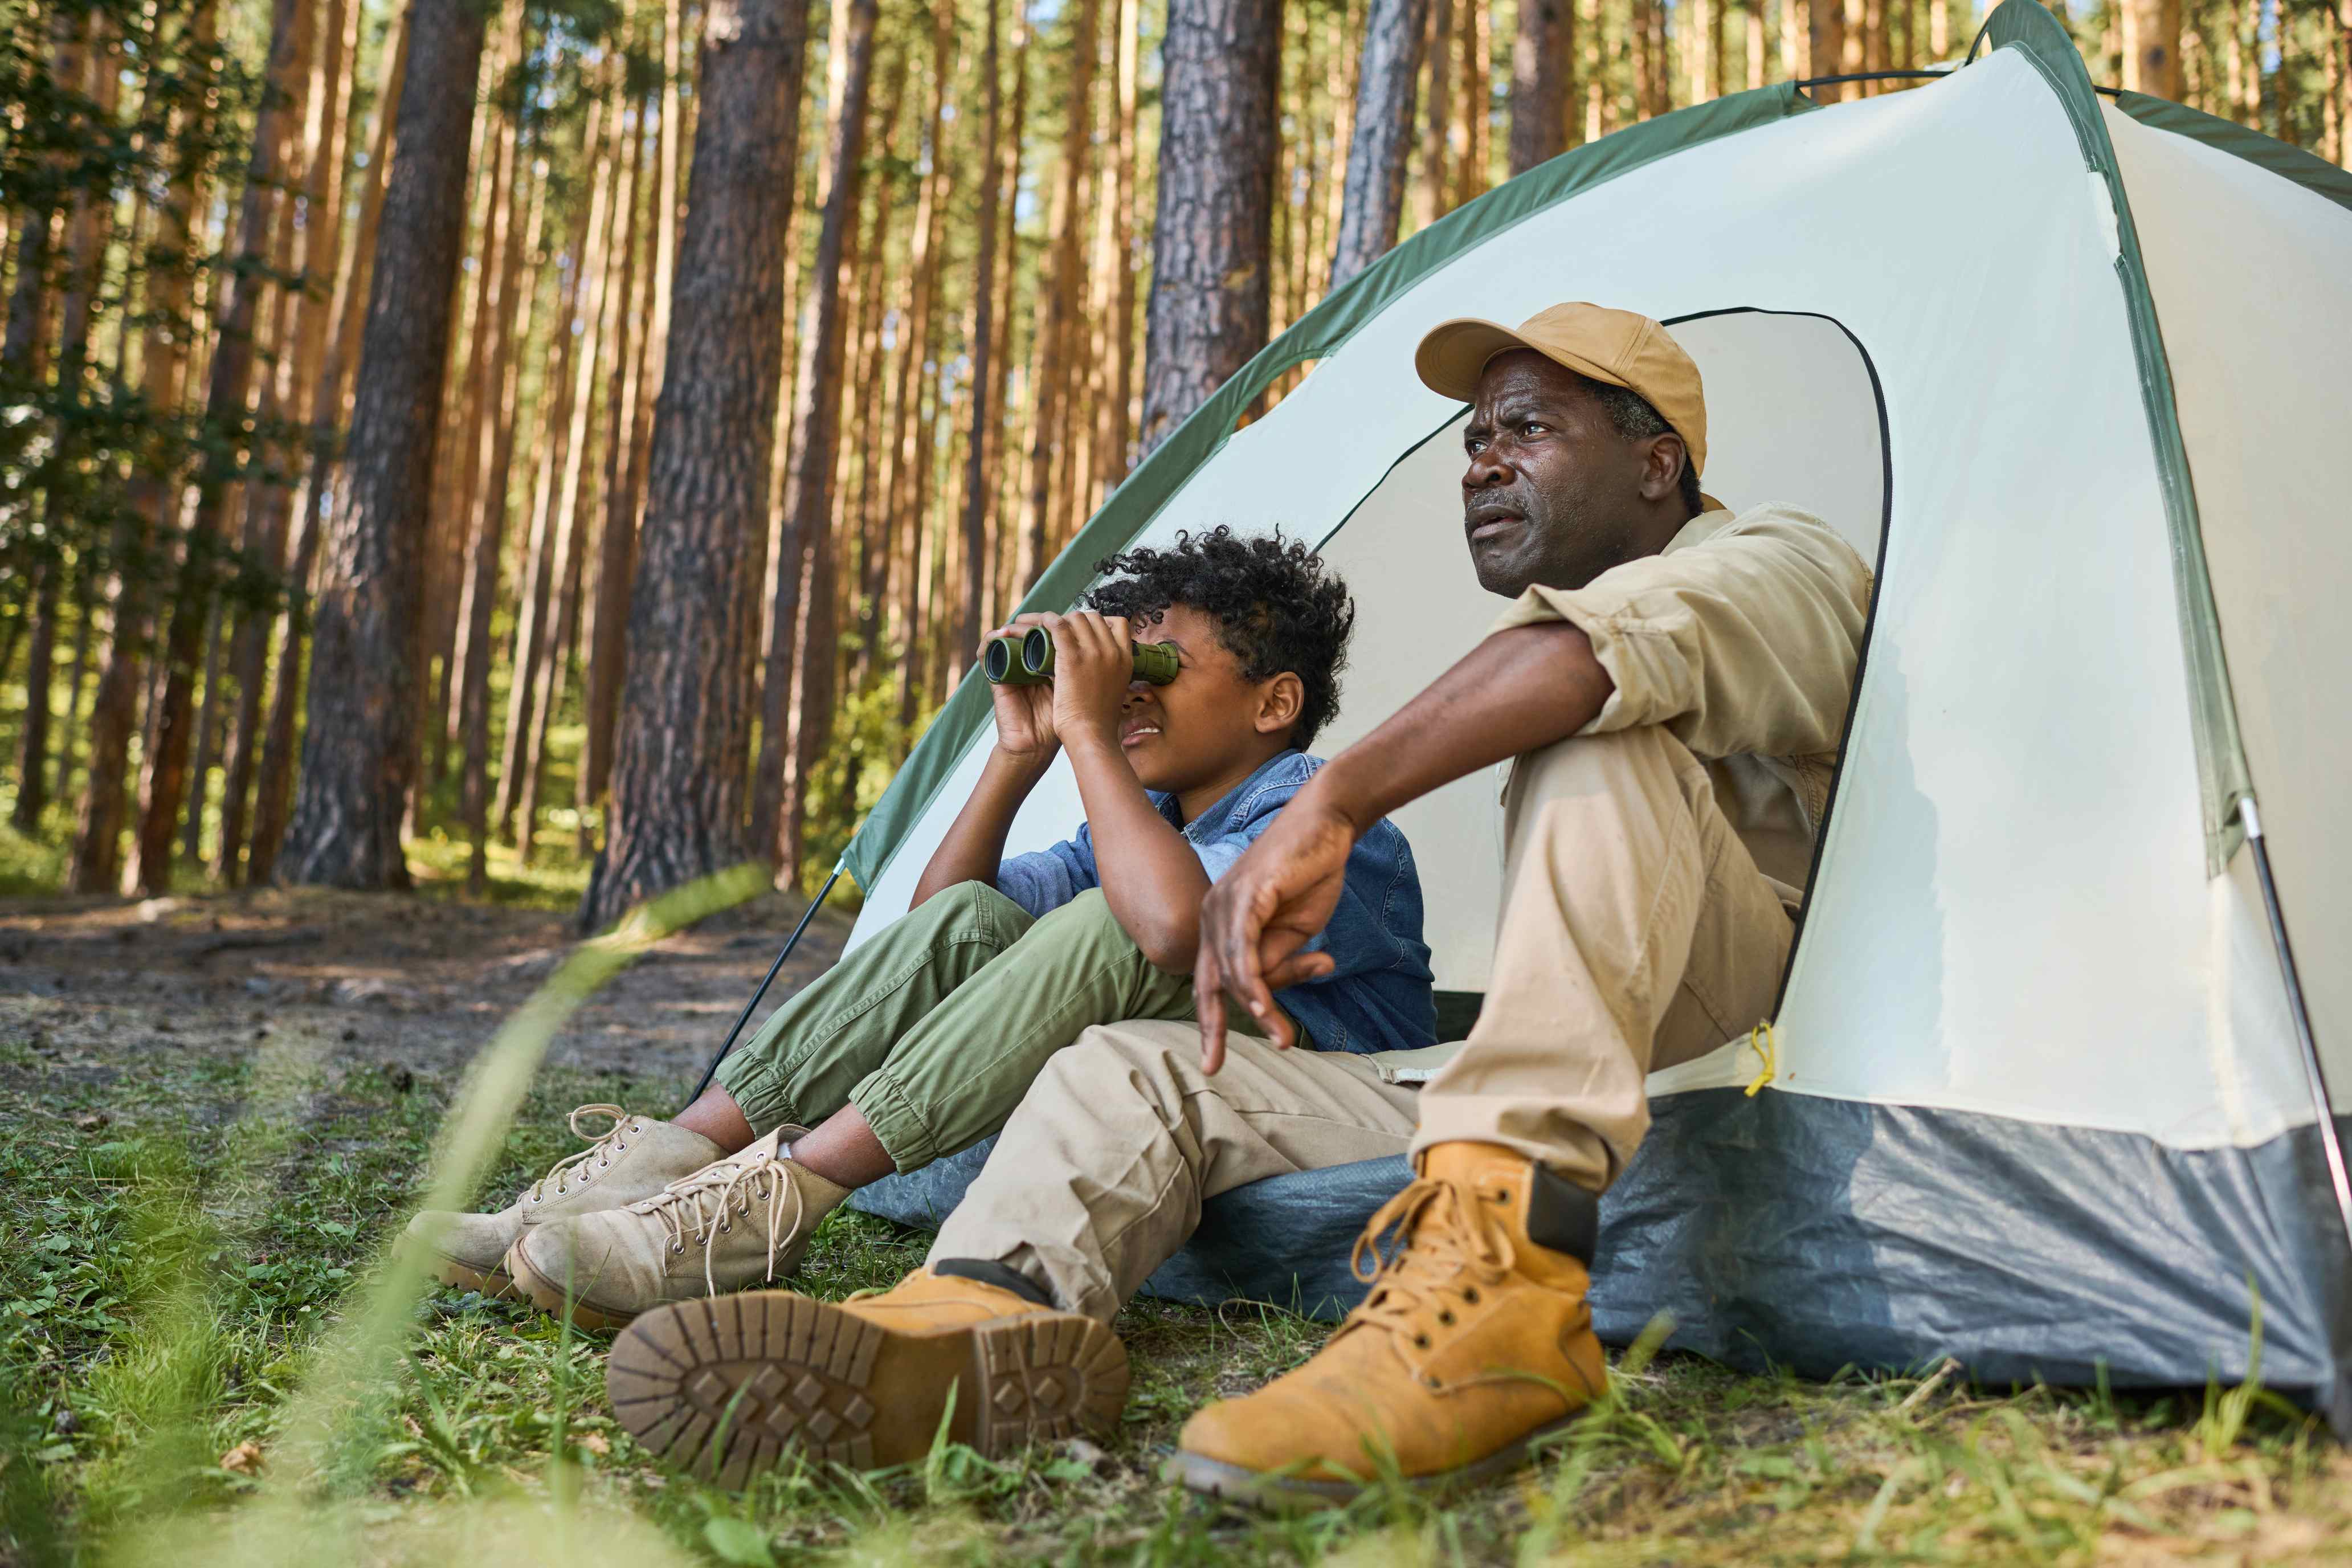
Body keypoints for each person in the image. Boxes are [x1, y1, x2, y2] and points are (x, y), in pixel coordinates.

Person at [597, 303, 1871, 1495]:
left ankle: (1507, 1290)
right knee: (1127, 1064)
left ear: (1659, 465)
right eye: (1474, 439)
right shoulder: (1175, 806)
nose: (1481, 463)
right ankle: (979, 1316)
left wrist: (1332, 803)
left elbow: (1594, 660)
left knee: (1595, 721)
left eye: (1528, 428)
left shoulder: (1776, 558)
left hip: (1746, 1025)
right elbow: (969, 912)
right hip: (1492, 1055)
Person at [408, 528, 1436, 1332]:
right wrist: (1019, 754)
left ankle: (772, 1207)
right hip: (1198, 1058)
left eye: (1158, 665)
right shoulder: (1147, 825)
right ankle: (674, 1164)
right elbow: (946, 923)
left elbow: (1169, 932)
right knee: (987, 916)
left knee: (1108, 925)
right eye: (1123, 663)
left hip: (1326, 1083)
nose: (1126, 690)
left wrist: (1087, 731)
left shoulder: (1321, 806)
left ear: (1275, 702)